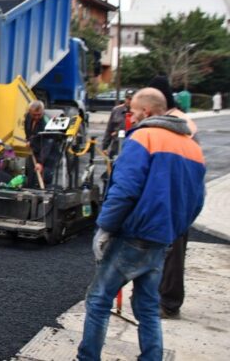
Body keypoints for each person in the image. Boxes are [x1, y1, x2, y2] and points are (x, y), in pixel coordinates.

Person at [77, 88, 205, 360]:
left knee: (98, 300)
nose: (131, 116)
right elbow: (197, 201)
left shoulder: (143, 138)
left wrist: (105, 227)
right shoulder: (193, 147)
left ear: (146, 111)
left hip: (132, 236)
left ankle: (87, 357)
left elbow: (125, 190)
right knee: (147, 308)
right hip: (160, 240)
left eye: (133, 111)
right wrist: (173, 229)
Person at [148, 75, 197, 319]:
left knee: (173, 253)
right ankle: (161, 297)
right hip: (174, 194)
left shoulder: (178, 123)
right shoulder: (176, 120)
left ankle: (169, 303)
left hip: (175, 196)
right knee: (164, 252)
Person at [23, 100, 56, 188]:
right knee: (31, 173)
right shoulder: (28, 117)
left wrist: (41, 162)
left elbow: (47, 144)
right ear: (30, 112)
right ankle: (30, 189)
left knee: (44, 175)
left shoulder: (46, 122)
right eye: (34, 115)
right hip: (36, 148)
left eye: (39, 115)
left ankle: (43, 192)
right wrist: (29, 140)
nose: (37, 117)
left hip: (48, 152)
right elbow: (27, 130)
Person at [101, 89, 135, 157]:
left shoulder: (140, 112)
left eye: (131, 99)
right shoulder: (116, 110)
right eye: (127, 98)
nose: (129, 101)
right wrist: (105, 147)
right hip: (116, 145)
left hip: (133, 146)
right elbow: (109, 129)